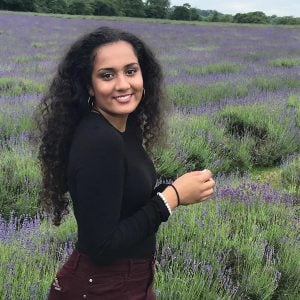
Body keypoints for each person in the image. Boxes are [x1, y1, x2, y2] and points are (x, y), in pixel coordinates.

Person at [37, 26, 215, 300]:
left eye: (130, 71)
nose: (123, 84)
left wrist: (173, 192)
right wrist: (172, 197)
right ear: (89, 85)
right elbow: (102, 246)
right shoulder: (100, 141)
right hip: (101, 288)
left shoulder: (123, 127)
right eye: (107, 75)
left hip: (127, 282)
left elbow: (124, 207)